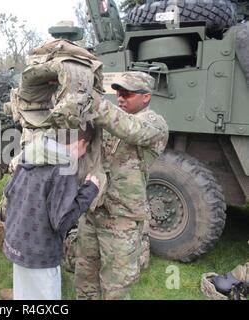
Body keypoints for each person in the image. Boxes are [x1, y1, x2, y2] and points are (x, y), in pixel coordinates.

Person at [75, 72, 169, 300]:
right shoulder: (109, 121)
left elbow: (131, 129)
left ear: (146, 97)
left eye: (127, 93)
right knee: (85, 279)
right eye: (117, 92)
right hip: (93, 209)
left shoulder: (154, 124)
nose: (120, 97)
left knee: (115, 287)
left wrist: (96, 103)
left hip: (122, 218)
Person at [3, 125, 100, 300]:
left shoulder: (32, 151)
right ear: (81, 143)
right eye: (86, 148)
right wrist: (89, 191)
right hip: (41, 252)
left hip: (16, 242)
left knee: (23, 296)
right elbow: (62, 221)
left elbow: (9, 191)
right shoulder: (64, 167)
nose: (85, 153)